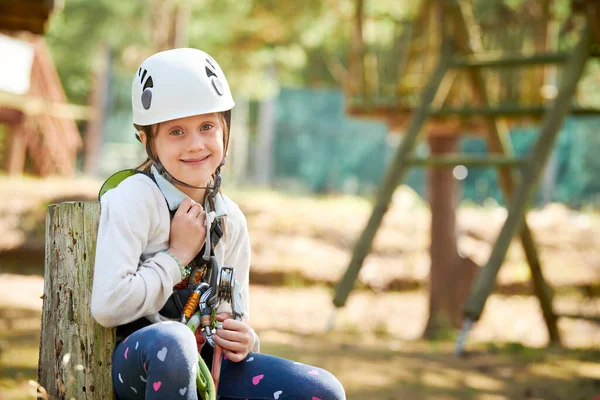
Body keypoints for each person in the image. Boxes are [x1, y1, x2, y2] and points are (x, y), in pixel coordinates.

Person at [91, 48, 346, 400]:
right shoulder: (134, 198)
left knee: (323, 391)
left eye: (207, 126)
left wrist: (244, 337)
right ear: (147, 140)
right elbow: (108, 305)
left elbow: (230, 306)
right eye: (176, 131)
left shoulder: (230, 220)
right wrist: (176, 255)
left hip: (206, 365)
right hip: (139, 363)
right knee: (174, 341)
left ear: (226, 128)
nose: (196, 144)